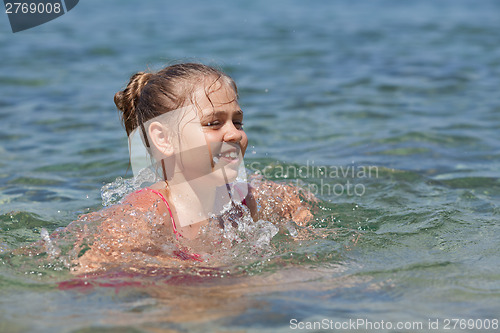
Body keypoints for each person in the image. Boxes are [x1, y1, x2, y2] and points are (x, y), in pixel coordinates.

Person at [31, 63, 315, 274]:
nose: (234, 135)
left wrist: (304, 229)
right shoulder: (148, 212)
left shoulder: (243, 200)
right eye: (214, 123)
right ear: (163, 138)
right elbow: (88, 271)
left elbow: (292, 201)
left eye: (237, 122)